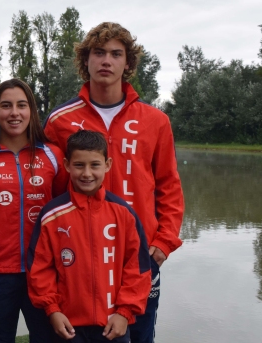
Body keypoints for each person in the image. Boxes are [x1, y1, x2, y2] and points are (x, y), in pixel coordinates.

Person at [43, 22, 184, 343]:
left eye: (116, 54)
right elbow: (49, 189)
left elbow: (170, 187)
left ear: (128, 63)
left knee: (139, 335)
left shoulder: (155, 121)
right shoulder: (59, 120)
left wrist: (163, 244)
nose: (106, 60)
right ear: (86, 60)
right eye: (99, 52)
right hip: (78, 256)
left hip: (139, 255)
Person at [0, 78, 67, 342]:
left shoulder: (52, 155)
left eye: (22, 105)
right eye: (6, 105)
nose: (14, 113)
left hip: (44, 271)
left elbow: (65, 207)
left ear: (31, 111)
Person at [28, 130, 151, 343]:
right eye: (79, 165)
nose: (87, 173)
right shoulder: (52, 215)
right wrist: (52, 309)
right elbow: (40, 268)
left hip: (113, 324)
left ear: (108, 164)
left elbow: (137, 268)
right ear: (67, 165)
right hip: (68, 325)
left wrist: (125, 312)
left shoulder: (124, 213)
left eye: (95, 165)